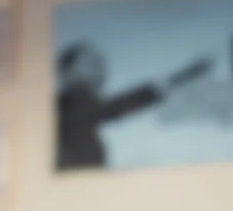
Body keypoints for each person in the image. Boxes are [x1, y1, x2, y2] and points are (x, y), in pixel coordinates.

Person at [55, 40, 212, 171]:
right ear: (70, 71)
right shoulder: (72, 103)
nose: (100, 69)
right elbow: (115, 108)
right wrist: (179, 79)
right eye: (90, 65)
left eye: (97, 63)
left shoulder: (68, 105)